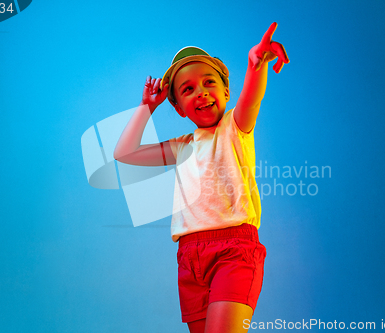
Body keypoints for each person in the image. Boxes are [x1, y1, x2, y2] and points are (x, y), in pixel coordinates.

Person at [114, 22, 289, 333]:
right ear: (180, 108)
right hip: (190, 259)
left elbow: (252, 96)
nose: (202, 93)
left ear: (225, 92)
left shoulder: (235, 128)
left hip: (233, 251)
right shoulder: (182, 147)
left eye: (209, 82)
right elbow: (124, 154)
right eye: (188, 89)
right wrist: (146, 107)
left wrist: (256, 62)